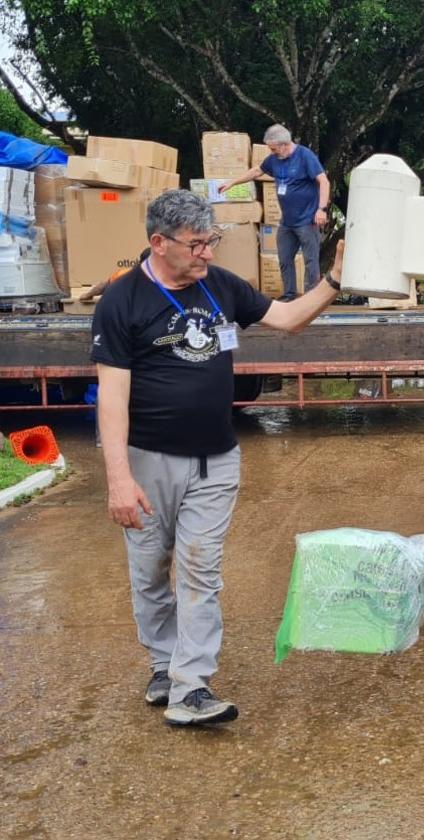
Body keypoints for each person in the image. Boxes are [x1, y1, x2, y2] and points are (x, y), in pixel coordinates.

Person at [91, 189, 345, 726]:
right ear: (158, 243)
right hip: (148, 462)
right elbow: (111, 400)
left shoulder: (221, 287)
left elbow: (289, 319)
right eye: (197, 244)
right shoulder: (123, 301)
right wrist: (118, 479)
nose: (207, 254)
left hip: (215, 462)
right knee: (150, 572)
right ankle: (163, 663)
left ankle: (191, 687)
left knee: (200, 570)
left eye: (212, 242)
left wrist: (334, 281)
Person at [219, 124, 330, 301]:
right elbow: (257, 171)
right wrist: (232, 182)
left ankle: (311, 299)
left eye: (274, 149)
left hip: (307, 220)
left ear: (285, 144)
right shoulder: (274, 159)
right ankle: (289, 295)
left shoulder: (305, 156)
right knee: (285, 259)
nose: (272, 153)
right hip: (287, 221)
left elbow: (324, 182)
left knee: (311, 261)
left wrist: (321, 209)